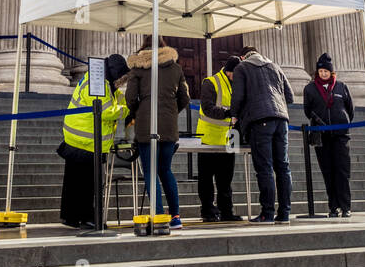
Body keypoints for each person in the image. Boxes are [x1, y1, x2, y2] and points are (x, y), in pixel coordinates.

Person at [126, 37, 190, 228]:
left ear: (143, 47)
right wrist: (171, 111)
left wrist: (138, 110)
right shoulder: (176, 68)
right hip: (169, 126)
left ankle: (160, 216)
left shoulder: (139, 67)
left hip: (146, 125)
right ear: (164, 47)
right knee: (166, 170)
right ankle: (176, 216)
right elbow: (185, 98)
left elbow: (130, 97)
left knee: (150, 172)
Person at [60, 53, 129, 230]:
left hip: (78, 136)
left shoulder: (96, 79)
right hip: (86, 138)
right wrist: (126, 110)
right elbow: (106, 111)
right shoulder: (99, 83)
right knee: (88, 181)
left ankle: (71, 216)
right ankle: (88, 217)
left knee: (74, 180)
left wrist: (123, 98)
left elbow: (111, 101)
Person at [229, 45, 294, 223]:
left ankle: (267, 213)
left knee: (264, 168)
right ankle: (285, 213)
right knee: (283, 167)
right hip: (282, 120)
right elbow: (290, 97)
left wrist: (234, 115)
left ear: (243, 57)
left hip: (259, 121)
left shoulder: (242, 68)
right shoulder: (275, 66)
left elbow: (238, 96)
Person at [303, 53, 355, 218]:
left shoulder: (341, 86)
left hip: (340, 135)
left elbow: (350, 109)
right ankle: (333, 207)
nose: (323, 73)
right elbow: (307, 110)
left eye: (326, 71)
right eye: (321, 71)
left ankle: (346, 206)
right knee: (328, 171)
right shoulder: (310, 88)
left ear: (331, 72)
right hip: (321, 136)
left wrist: (343, 122)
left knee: (342, 171)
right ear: (317, 72)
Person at [196, 55, 243, 223]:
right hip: (209, 137)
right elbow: (207, 108)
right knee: (206, 178)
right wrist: (228, 113)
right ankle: (208, 211)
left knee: (226, 179)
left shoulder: (237, 83)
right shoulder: (211, 82)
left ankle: (226, 211)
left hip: (230, 137)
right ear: (229, 71)